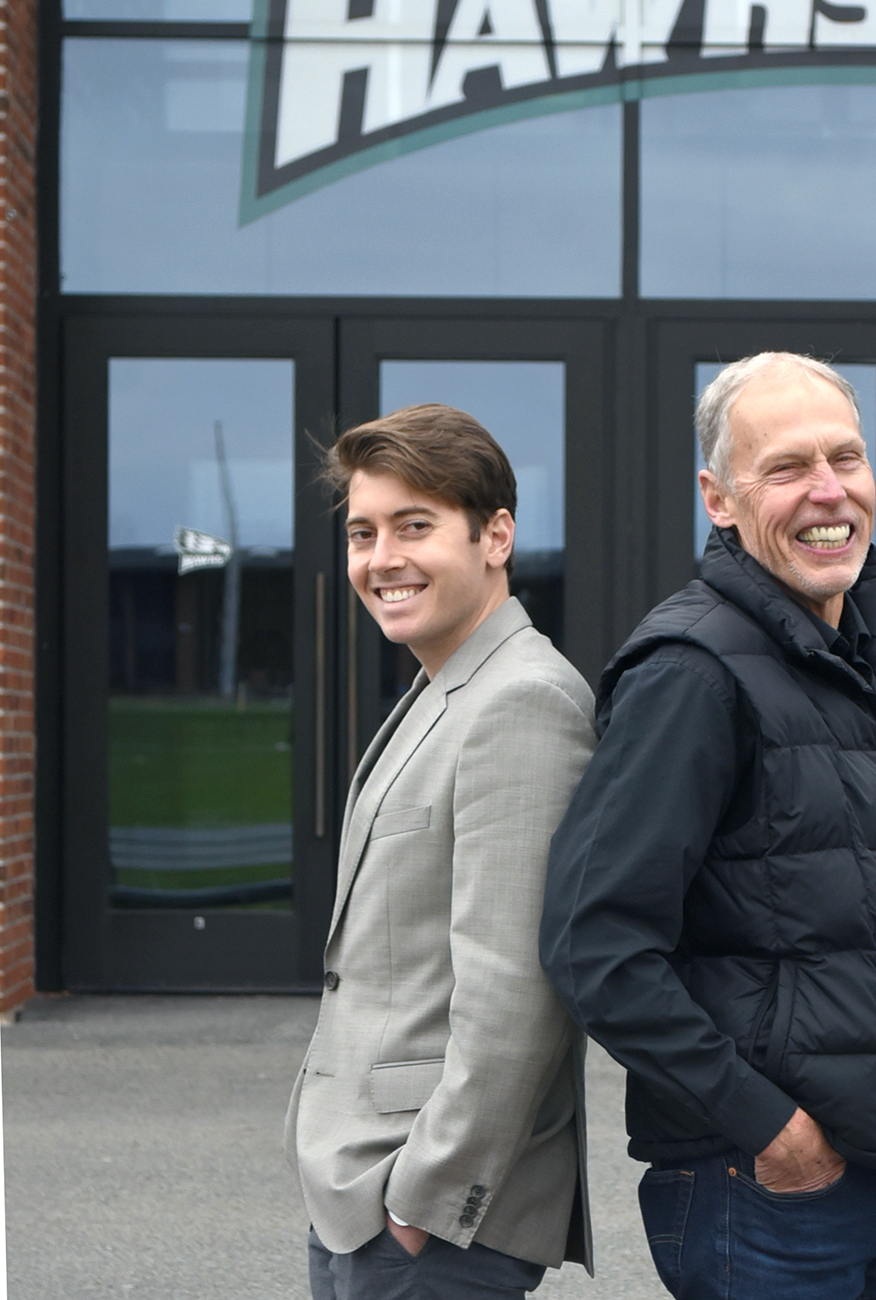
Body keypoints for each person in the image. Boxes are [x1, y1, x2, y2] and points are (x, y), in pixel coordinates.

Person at [541, 352, 876, 1300]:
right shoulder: (689, 674)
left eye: (846, 458)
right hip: (770, 1190)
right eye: (786, 468)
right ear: (718, 499)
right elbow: (595, 944)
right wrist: (768, 1128)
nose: (827, 491)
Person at [289, 404, 596, 1300]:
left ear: (494, 534)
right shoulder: (445, 685)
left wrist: (420, 1207)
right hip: (361, 1189)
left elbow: (518, 989)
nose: (381, 558)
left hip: (428, 1216)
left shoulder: (523, 701)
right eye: (362, 532)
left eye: (413, 526)